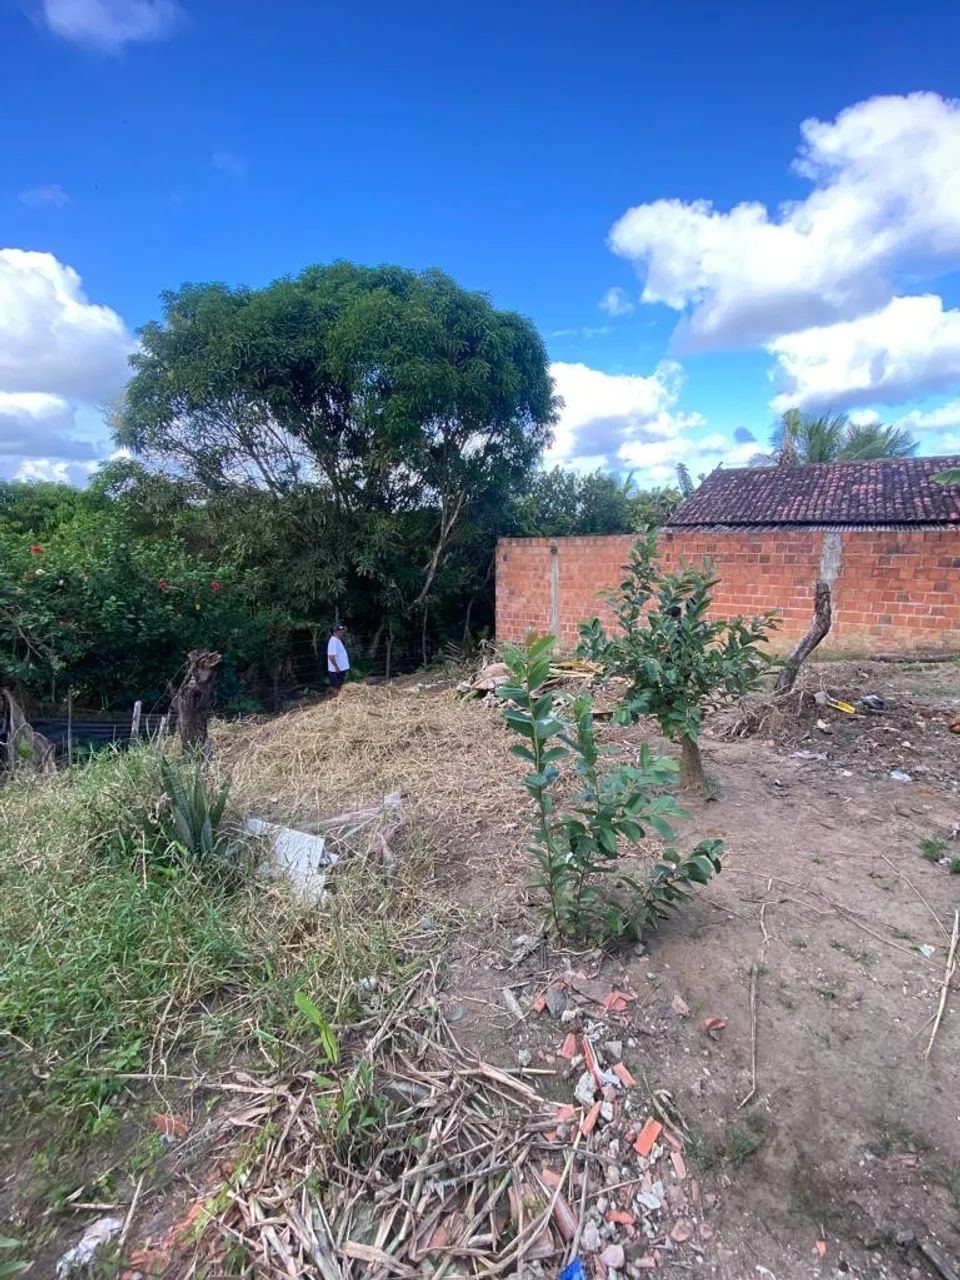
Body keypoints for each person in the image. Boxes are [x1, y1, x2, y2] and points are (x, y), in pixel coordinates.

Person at [327, 624, 350, 694]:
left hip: (340, 668)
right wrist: (336, 667)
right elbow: (331, 656)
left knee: (339, 685)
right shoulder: (333, 641)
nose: (341, 632)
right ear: (335, 632)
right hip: (336, 670)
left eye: (341, 630)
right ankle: (335, 699)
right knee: (336, 686)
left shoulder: (337, 640)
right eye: (339, 631)